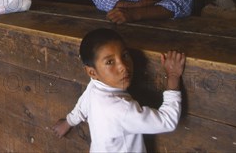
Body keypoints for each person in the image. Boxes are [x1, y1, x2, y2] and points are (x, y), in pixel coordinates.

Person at [52, 28, 186, 152]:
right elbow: (168, 121)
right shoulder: (122, 109)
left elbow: (83, 104)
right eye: (110, 62)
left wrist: (68, 122)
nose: (123, 66)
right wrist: (173, 76)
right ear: (92, 72)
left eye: (125, 55)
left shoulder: (95, 86)